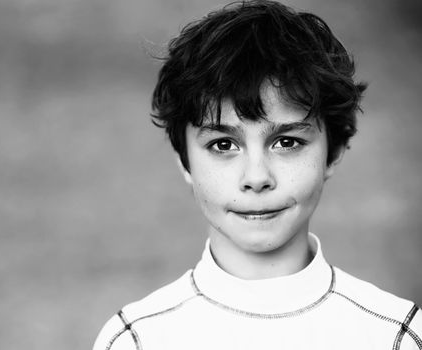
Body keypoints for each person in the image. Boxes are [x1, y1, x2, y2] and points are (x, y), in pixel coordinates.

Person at [93, 1, 422, 349]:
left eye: (286, 142)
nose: (256, 177)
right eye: (223, 145)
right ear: (184, 159)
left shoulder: (396, 334)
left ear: (334, 152)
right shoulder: (137, 339)